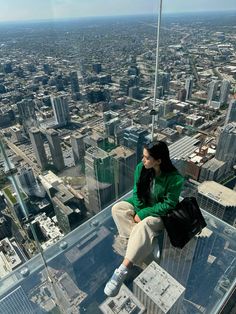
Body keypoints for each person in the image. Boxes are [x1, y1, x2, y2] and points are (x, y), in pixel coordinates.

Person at [104, 141, 184, 297]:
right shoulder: (142, 168)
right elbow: (136, 192)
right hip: (143, 207)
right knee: (117, 209)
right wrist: (139, 211)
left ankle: (122, 269)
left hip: (160, 214)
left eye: (147, 158)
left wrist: (144, 214)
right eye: (143, 156)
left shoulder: (175, 179)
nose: (142, 160)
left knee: (145, 224)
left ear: (159, 161)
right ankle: (144, 243)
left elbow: (169, 205)